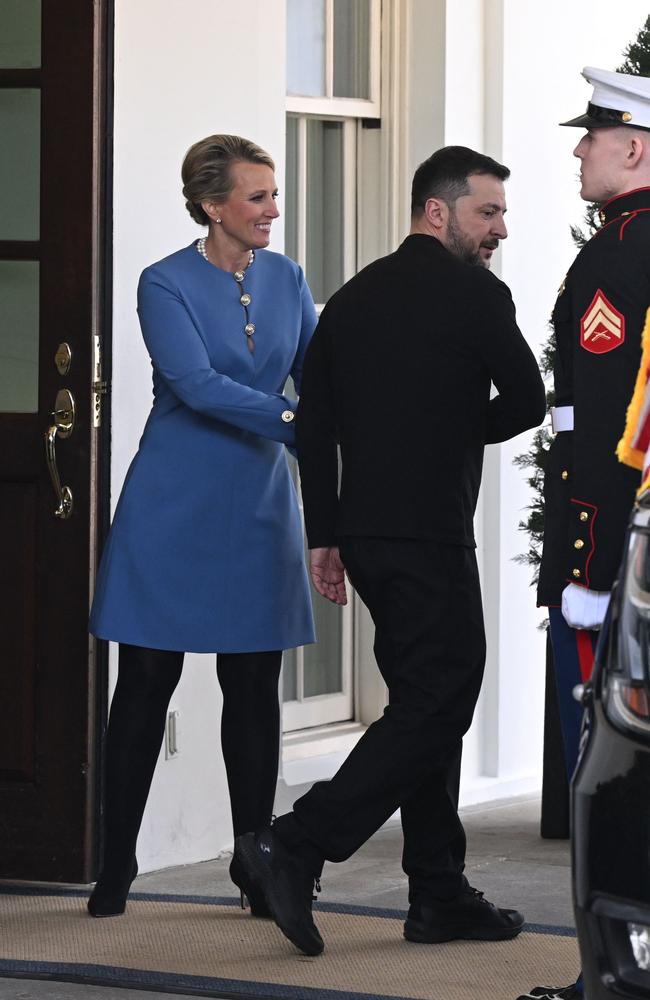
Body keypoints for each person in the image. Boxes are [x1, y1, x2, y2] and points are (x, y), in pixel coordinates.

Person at [235, 145, 547, 956]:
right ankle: (297, 841)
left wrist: (327, 534)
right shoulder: (478, 295)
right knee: (442, 695)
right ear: (437, 211)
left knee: (422, 701)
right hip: (430, 533)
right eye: (488, 213)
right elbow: (526, 400)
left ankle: (438, 892)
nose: (499, 230)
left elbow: (315, 429)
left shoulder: (351, 299)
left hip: (366, 536)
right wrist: (449, 432)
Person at [87, 134, 317, 918]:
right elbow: (195, 384)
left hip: (259, 507)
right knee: (146, 681)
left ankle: (258, 867)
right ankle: (116, 867)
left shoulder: (289, 278)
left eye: (274, 194)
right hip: (172, 505)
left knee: (252, 687)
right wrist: (297, 418)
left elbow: (319, 376)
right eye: (257, 197)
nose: (272, 210)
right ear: (213, 206)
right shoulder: (164, 282)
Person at [518, 67, 650, 1000]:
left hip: (617, 553)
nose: (578, 150)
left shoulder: (620, 253)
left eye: (591, 135)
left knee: (609, 785)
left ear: (635, 147)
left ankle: (606, 975)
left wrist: (589, 563)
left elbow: (606, 428)